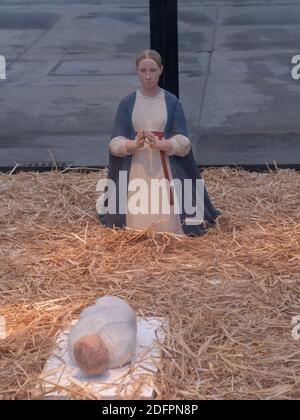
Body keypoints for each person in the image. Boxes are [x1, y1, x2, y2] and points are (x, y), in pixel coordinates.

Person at [98, 49, 221, 237]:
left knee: (167, 208)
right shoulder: (127, 103)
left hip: (163, 169)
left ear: (161, 70)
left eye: (153, 70)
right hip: (137, 168)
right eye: (143, 71)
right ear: (137, 71)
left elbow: (184, 141)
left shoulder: (171, 102)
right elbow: (115, 142)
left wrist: (164, 144)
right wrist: (132, 144)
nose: (148, 76)